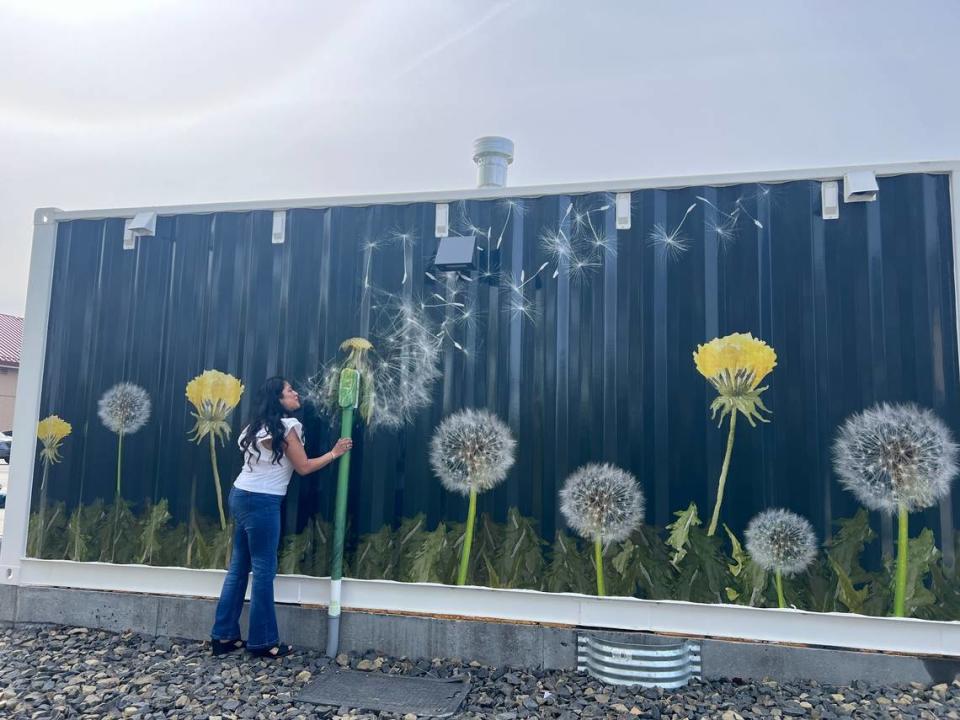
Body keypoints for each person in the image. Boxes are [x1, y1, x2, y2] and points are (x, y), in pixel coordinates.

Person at [210, 376, 351, 658]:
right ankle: (262, 642)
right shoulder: (287, 428)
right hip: (262, 502)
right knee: (263, 571)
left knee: (239, 568)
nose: (295, 393)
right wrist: (334, 453)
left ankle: (223, 636)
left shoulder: (253, 427)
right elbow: (304, 467)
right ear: (278, 398)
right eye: (289, 390)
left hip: (240, 495)